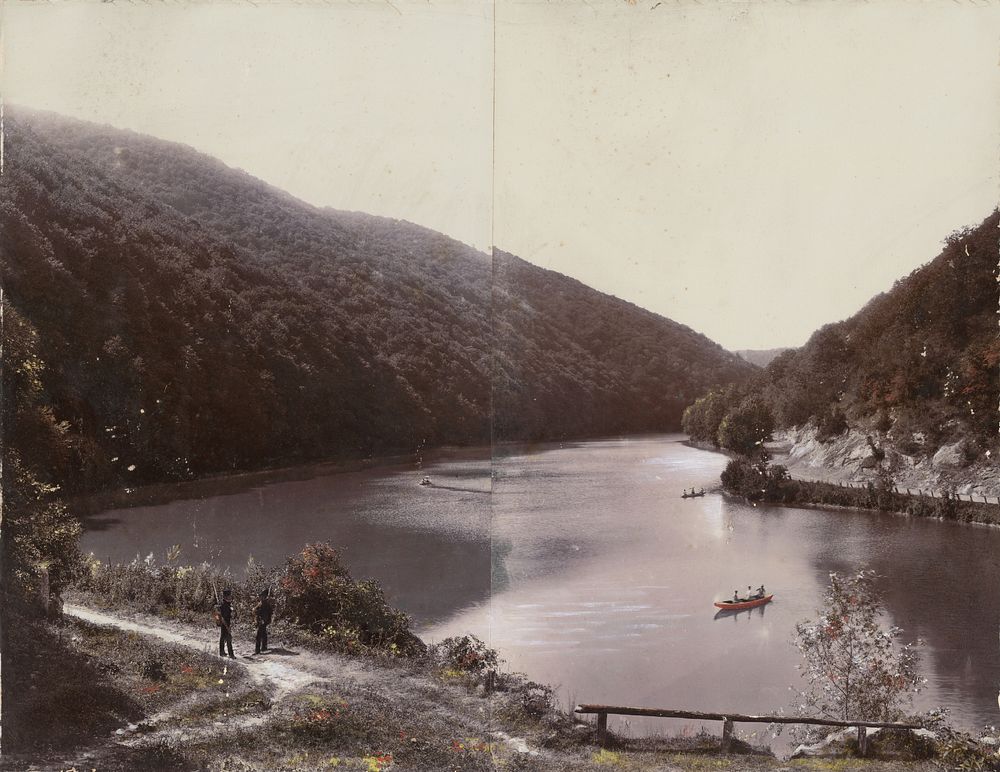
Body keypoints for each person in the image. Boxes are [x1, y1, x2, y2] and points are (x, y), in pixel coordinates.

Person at [254, 588, 274, 654]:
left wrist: (263, 620)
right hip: (262, 621)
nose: (260, 597)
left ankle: (257, 650)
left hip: (262, 621)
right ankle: (264, 647)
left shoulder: (265, 604)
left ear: (264, 596)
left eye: (261, 596)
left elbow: (267, 613)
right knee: (263, 633)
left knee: (258, 636)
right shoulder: (262, 603)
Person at [218, 589, 235, 658]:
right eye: (229, 596)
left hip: (226, 623)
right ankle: (231, 654)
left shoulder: (227, 604)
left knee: (223, 638)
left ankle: (222, 652)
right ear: (225, 597)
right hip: (225, 624)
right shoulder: (224, 606)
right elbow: (223, 618)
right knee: (228, 638)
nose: (230, 597)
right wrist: (227, 627)